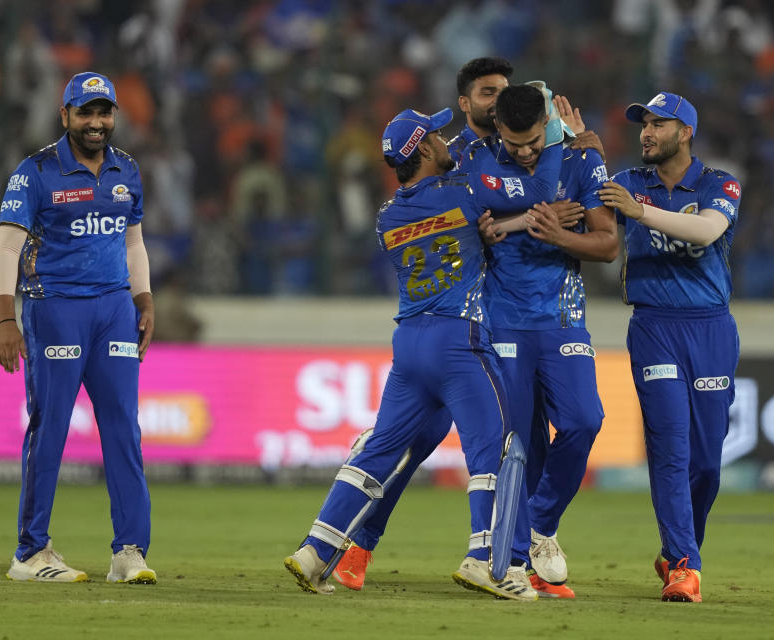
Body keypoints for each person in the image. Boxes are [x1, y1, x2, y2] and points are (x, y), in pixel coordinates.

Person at [284, 105, 564, 601]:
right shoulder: (466, 191)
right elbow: (540, 191)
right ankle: (486, 563)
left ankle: (315, 549)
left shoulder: (388, 215)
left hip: (410, 344)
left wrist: (506, 224)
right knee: (494, 452)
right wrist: (559, 140)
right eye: (436, 136)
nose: (445, 140)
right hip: (460, 340)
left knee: (378, 452)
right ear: (426, 149)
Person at [0, 71, 157, 585]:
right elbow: (5, 248)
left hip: (114, 311)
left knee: (123, 429)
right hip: (55, 307)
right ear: (65, 115)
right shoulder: (34, 172)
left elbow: (133, 244)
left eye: (103, 112)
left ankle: (129, 551)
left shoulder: (126, 169)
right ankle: (31, 552)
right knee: (52, 429)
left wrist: (144, 299)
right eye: (85, 112)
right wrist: (5, 318)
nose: (96, 122)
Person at [469, 84, 618, 598]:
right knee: (521, 442)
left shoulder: (581, 159)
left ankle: (538, 526)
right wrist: (503, 227)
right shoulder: (480, 161)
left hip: (561, 320)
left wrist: (560, 237)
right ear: (498, 132)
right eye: (515, 144)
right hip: (503, 320)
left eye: (534, 141)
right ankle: (514, 563)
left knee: (583, 420)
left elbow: (608, 244)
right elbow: (472, 229)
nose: (526, 152)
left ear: (546, 128)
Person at [596, 91, 742, 603]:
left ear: (685, 133)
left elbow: (706, 231)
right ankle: (685, 564)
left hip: (711, 329)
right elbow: (583, 219)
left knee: (705, 462)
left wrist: (640, 213)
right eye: (643, 123)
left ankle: (680, 551)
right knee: (670, 450)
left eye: (659, 123)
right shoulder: (625, 184)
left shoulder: (719, 184)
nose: (646, 132)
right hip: (654, 327)